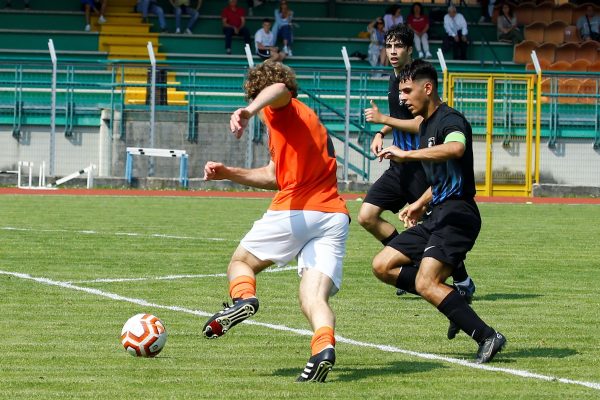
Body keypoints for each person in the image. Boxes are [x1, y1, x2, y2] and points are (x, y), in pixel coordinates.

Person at [202, 61, 350, 383]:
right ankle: (323, 348)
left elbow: (279, 89)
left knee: (241, 262)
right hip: (333, 216)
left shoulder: (283, 108)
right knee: (313, 298)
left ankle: (244, 300)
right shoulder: (303, 125)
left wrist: (249, 110)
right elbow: (273, 176)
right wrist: (228, 173)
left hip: (298, 210)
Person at [376, 59, 506, 363]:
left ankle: (487, 336)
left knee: (425, 282)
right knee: (383, 265)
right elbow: (447, 175)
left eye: (407, 91)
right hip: (437, 214)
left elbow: (456, 148)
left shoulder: (450, 120)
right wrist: (420, 202)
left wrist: (407, 154)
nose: (402, 98)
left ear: (428, 87)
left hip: (457, 216)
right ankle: (450, 299)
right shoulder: (426, 126)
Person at [361, 24, 476, 340]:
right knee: (367, 216)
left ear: (410, 49)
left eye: (399, 45)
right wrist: (381, 132)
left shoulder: (419, 81)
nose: (393, 50)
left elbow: (419, 124)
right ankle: (416, 271)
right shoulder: (394, 80)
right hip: (398, 165)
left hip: (420, 168)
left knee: (432, 229)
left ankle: (457, 282)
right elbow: (401, 118)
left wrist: (385, 122)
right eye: (388, 45)